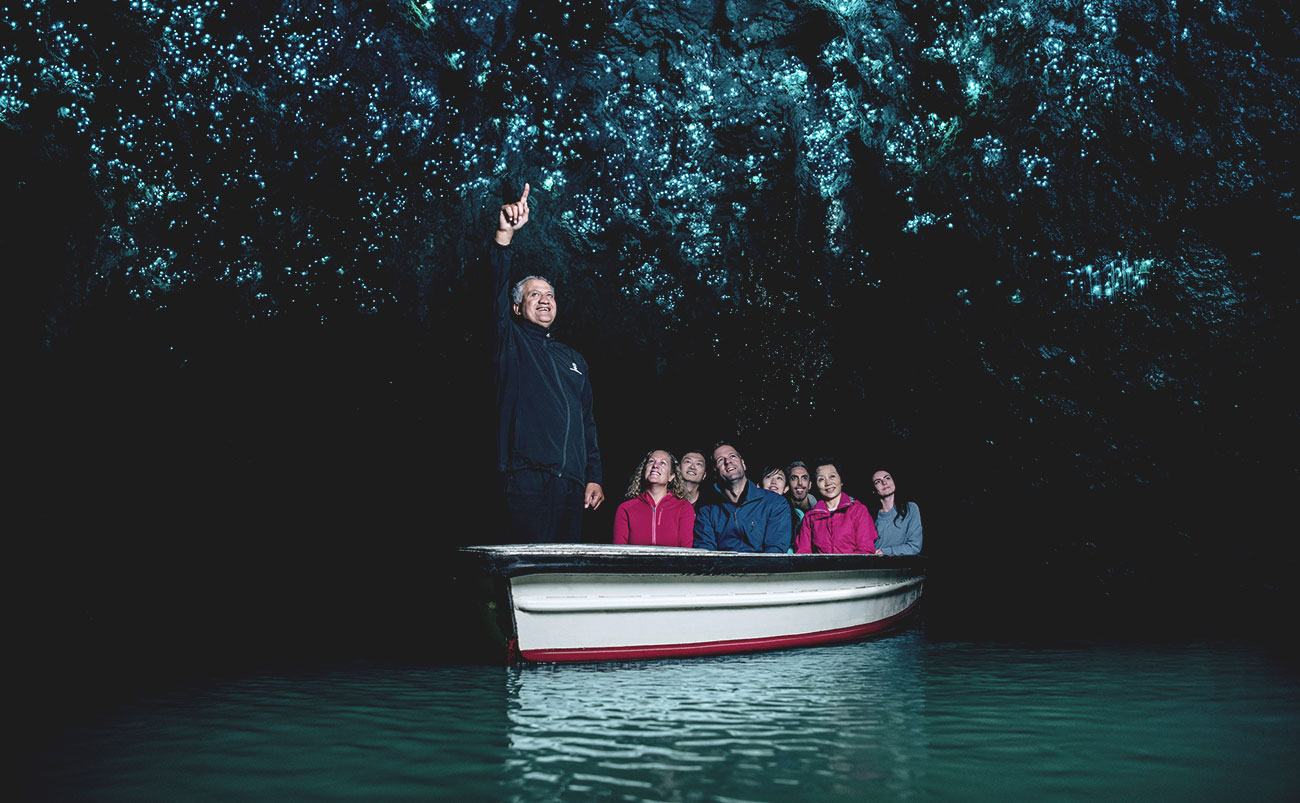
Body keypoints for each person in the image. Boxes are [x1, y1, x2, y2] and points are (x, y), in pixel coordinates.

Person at [492, 183, 604, 542]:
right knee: (523, 568)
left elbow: (587, 422)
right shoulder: (511, 341)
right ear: (516, 307)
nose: (544, 300)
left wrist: (593, 475)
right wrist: (504, 236)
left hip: (571, 485)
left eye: (550, 295)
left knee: (560, 573)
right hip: (526, 480)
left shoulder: (573, 359)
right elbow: (492, 291)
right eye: (534, 294)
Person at [694, 442, 792, 553]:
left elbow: (775, 551)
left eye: (732, 456)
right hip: (722, 569)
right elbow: (706, 553)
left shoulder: (775, 503)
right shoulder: (707, 510)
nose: (728, 461)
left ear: (743, 464)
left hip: (765, 569)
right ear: (715, 472)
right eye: (720, 460)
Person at [612, 450, 696, 547]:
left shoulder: (684, 508)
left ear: (671, 476)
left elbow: (686, 552)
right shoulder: (625, 509)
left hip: (672, 562)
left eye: (663, 463)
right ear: (644, 471)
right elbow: (619, 553)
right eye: (651, 461)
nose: (655, 466)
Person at [795, 459, 878, 554]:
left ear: (841, 481)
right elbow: (803, 553)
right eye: (821, 479)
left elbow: (866, 550)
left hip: (854, 568)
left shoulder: (858, 510)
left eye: (832, 476)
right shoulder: (810, 518)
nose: (828, 483)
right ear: (816, 486)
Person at [870, 469, 923, 555]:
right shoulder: (870, 516)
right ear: (873, 490)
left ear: (894, 482)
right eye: (878, 482)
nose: (884, 482)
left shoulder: (910, 508)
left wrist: (885, 551)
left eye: (887, 478)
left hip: (900, 565)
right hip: (874, 564)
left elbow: (914, 547)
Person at [762, 465, 803, 541]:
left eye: (779, 478)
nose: (773, 482)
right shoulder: (752, 512)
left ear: (786, 488)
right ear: (759, 486)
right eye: (768, 477)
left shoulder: (798, 515)